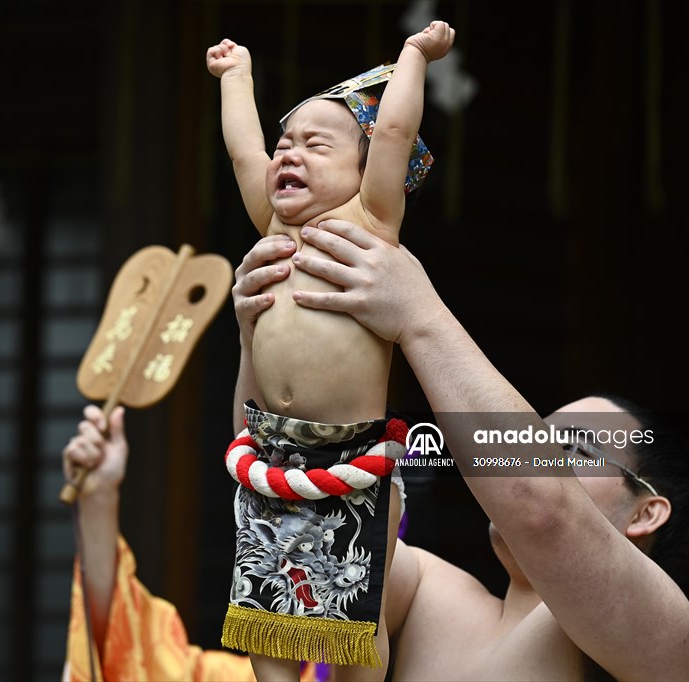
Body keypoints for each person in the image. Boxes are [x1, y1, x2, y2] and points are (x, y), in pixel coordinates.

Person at [61, 223, 689, 681]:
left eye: (562, 448)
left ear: (644, 513)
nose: (527, 452)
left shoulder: (663, 637)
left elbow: (541, 508)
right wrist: (265, 334)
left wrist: (419, 315)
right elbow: (297, 522)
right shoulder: (430, 598)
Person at [204, 22, 454, 678]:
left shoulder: (371, 221)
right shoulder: (275, 225)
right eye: (286, 145)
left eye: (316, 144)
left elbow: (395, 131)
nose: (289, 155)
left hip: (353, 455)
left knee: (354, 634)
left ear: (366, 168)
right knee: (269, 630)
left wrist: (414, 56)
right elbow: (241, 150)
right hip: (274, 450)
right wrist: (237, 76)